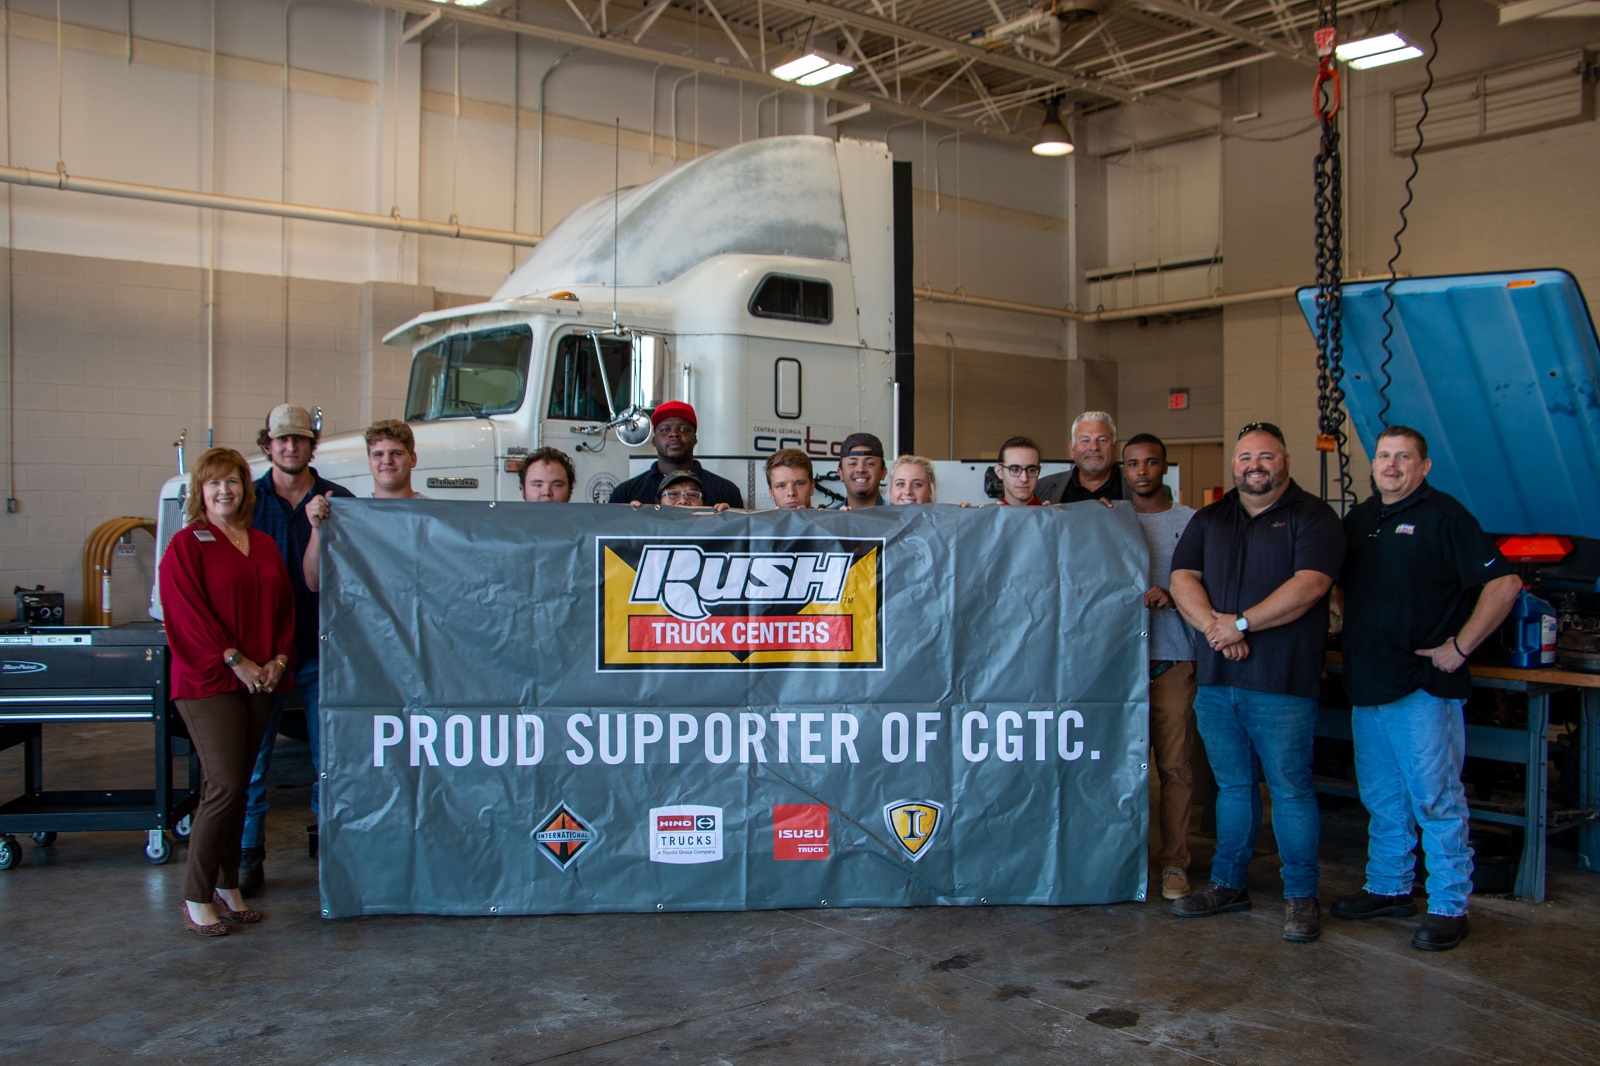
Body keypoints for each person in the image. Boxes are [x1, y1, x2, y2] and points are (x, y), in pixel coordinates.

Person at [1331, 425, 1521, 952]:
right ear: (1373, 464)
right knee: (1382, 798)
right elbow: (1345, 584)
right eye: (1383, 456)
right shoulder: (1361, 520)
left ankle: (1448, 903)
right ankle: (1390, 886)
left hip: (1424, 688)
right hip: (1368, 683)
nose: (1391, 465)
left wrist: (1459, 646)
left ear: (1425, 466)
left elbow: (1504, 584)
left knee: (1436, 799)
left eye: (1403, 457)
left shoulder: (1445, 516)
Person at [1167, 421, 1344, 943]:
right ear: (1234, 465)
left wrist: (1240, 623)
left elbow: (1310, 585)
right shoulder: (1211, 518)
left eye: (1266, 457)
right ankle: (1228, 885)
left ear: (1285, 462)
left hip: (1282, 684)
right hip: (1220, 681)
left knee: (1290, 790)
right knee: (1233, 789)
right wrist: (1216, 630)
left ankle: (1301, 896)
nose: (1255, 466)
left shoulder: (1313, 517)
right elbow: (1182, 579)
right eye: (1246, 458)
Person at [158, 447, 295, 936]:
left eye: (233, 482)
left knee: (239, 788)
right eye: (214, 483)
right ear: (201, 490)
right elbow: (188, 617)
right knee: (224, 785)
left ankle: (228, 886)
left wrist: (278, 659)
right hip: (209, 681)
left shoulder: (260, 543)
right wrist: (237, 661)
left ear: (246, 488)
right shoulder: (186, 544)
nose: (224, 491)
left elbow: (284, 609)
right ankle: (196, 896)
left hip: (261, 680)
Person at [241, 403, 354, 896]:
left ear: (313, 445)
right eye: (282, 440)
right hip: (258, 657)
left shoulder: (339, 501)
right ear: (267, 444)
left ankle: (331, 847)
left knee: (330, 759)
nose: (290, 447)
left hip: (317, 651)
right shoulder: (243, 502)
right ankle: (247, 856)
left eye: (300, 440)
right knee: (251, 761)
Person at [1125, 433, 1199, 901]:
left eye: (1151, 462)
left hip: (1172, 657)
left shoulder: (1191, 522)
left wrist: (1173, 596)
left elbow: (1206, 582)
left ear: (1164, 468)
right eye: (1133, 463)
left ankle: (1174, 863)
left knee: (1175, 768)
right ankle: (1121, 861)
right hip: (1116, 666)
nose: (1142, 471)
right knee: (1119, 769)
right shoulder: (1107, 521)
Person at [302, 419, 427, 593]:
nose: (387, 460)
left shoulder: (436, 516)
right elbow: (314, 582)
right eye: (378, 454)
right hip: (366, 619)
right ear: (369, 462)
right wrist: (317, 530)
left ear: (413, 459)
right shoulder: (349, 518)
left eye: (396, 453)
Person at [608, 401, 744, 508]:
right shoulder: (625, 494)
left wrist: (730, 517)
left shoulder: (726, 491)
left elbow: (740, 540)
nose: (674, 434)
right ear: (654, 441)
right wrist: (628, 520)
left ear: (695, 439)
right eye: (665, 429)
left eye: (684, 429)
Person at [1038, 411, 1125, 505]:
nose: (1094, 447)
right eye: (1085, 440)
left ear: (1116, 448)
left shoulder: (1135, 487)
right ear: (1072, 449)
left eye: (1102, 440)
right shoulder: (1042, 488)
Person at [834, 433, 888, 508]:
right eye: (852, 463)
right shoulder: (827, 518)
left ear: (883, 472)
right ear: (840, 473)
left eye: (870, 463)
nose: (861, 469)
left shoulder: (899, 517)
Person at [993, 436, 1045, 506]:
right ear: (999, 471)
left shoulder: (1053, 515)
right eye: (1015, 469)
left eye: (1031, 470)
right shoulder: (987, 516)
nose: (1024, 479)